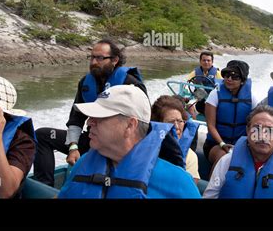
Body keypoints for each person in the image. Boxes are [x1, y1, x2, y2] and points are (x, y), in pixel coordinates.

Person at [33, 39, 146, 186]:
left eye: (100, 58)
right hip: (93, 139)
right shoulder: (86, 83)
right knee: (42, 135)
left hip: (119, 145)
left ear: (115, 60)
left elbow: (141, 125)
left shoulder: (130, 84)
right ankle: (46, 188)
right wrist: (73, 146)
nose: (93, 62)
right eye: (91, 57)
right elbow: (76, 118)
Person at [58, 85, 201, 199]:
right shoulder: (84, 164)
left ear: (130, 125)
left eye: (100, 117)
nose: (89, 122)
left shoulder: (177, 181)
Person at [203, 105, 273, 199]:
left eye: (270, 130)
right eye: (256, 129)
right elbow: (210, 195)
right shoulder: (227, 162)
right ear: (248, 131)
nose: (262, 136)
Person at [204, 60, 257, 171]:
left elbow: (255, 126)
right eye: (227, 75)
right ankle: (212, 186)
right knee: (223, 158)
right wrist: (222, 144)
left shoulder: (251, 98)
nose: (229, 79)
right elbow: (211, 126)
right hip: (216, 144)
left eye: (235, 77)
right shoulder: (215, 94)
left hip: (241, 145)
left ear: (242, 81)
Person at [151, 95, 200, 183]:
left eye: (180, 121)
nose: (177, 127)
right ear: (158, 124)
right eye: (170, 122)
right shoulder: (144, 149)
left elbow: (188, 191)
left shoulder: (190, 156)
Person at [186, 51, 223, 115]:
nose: (206, 62)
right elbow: (187, 84)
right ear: (200, 61)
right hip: (199, 96)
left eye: (208, 60)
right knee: (189, 106)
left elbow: (221, 88)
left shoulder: (218, 74)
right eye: (204, 60)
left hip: (212, 97)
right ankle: (194, 121)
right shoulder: (195, 72)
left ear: (212, 62)